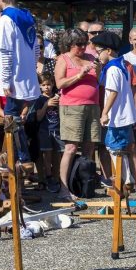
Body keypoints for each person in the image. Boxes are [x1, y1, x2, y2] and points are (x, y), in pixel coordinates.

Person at [0, 0, 40, 169]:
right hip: (27, 77)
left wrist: (5, 80)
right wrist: (31, 68)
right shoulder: (27, 15)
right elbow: (36, 49)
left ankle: (20, 157)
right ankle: (10, 155)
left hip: (15, 79)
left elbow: (5, 53)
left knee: (11, 118)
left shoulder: (5, 19)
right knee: (14, 117)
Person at [94, 31, 136, 192]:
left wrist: (104, 112)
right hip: (125, 115)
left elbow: (113, 92)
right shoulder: (122, 65)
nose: (98, 55)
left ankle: (125, 178)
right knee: (120, 146)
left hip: (117, 116)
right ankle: (126, 178)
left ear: (108, 51)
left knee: (113, 146)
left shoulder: (113, 69)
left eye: (99, 52)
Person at [54, 28, 101, 201]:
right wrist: (79, 75)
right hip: (72, 107)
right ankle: (64, 188)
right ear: (69, 44)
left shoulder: (91, 57)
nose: (83, 47)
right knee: (71, 148)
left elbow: (99, 80)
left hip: (92, 106)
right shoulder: (64, 59)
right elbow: (59, 83)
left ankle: (84, 186)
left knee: (90, 146)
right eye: (79, 44)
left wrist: (99, 70)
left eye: (85, 43)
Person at [33, 72, 62, 193]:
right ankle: (48, 177)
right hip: (45, 131)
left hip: (58, 130)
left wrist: (59, 104)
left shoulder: (58, 97)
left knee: (58, 156)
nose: (46, 87)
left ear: (53, 84)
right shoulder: (39, 99)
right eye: (43, 85)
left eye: (49, 84)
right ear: (40, 86)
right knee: (47, 155)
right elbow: (38, 117)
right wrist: (46, 104)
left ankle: (56, 178)